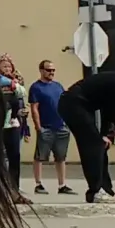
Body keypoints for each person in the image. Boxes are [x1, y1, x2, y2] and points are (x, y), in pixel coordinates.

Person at [60, 52, 115, 203]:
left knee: (100, 145)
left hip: (80, 106)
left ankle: (106, 190)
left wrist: (104, 134)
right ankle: (95, 192)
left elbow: (107, 111)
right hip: (73, 104)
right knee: (92, 146)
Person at [27, 58, 71, 193]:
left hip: (61, 126)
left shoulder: (58, 86)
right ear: (41, 71)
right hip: (45, 126)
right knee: (40, 157)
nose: (51, 72)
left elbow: (65, 103)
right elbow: (34, 108)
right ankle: (38, 183)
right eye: (48, 70)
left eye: (53, 70)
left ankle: (62, 185)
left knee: (61, 157)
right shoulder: (36, 87)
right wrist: (38, 126)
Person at [0, 55, 32, 203]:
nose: (7, 69)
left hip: (13, 123)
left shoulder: (16, 81)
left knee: (14, 157)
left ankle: (14, 191)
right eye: (4, 66)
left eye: (9, 66)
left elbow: (22, 94)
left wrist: (14, 84)